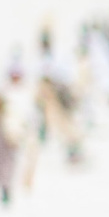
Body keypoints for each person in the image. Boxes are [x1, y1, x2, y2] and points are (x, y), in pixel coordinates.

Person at [34, 28, 86, 167]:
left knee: (67, 127)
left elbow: (65, 76)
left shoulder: (57, 57)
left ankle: (75, 151)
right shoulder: (40, 60)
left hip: (60, 97)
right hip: (50, 100)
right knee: (58, 126)